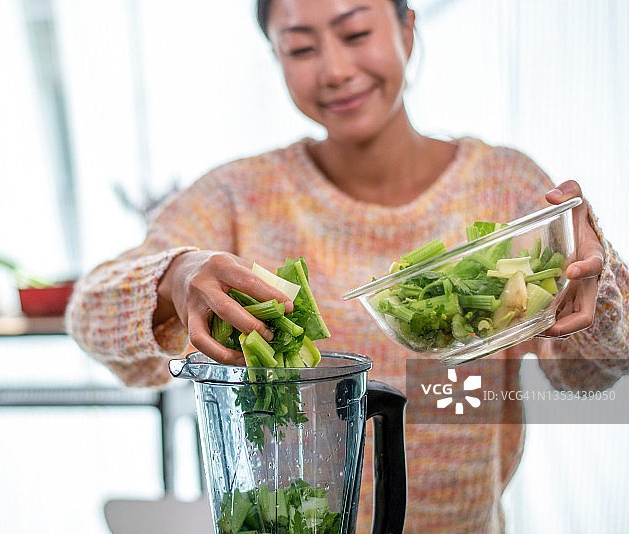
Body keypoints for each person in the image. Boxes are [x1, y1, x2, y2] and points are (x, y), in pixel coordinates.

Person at [66, 0, 629, 531]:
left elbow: (583, 376)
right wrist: (178, 275)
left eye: (356, 33)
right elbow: (91, 318)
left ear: (407, 29)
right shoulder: (239, 196)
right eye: (301, 48)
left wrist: (598, 290)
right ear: (276, 57)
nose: (334, 70)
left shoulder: (506, 186)